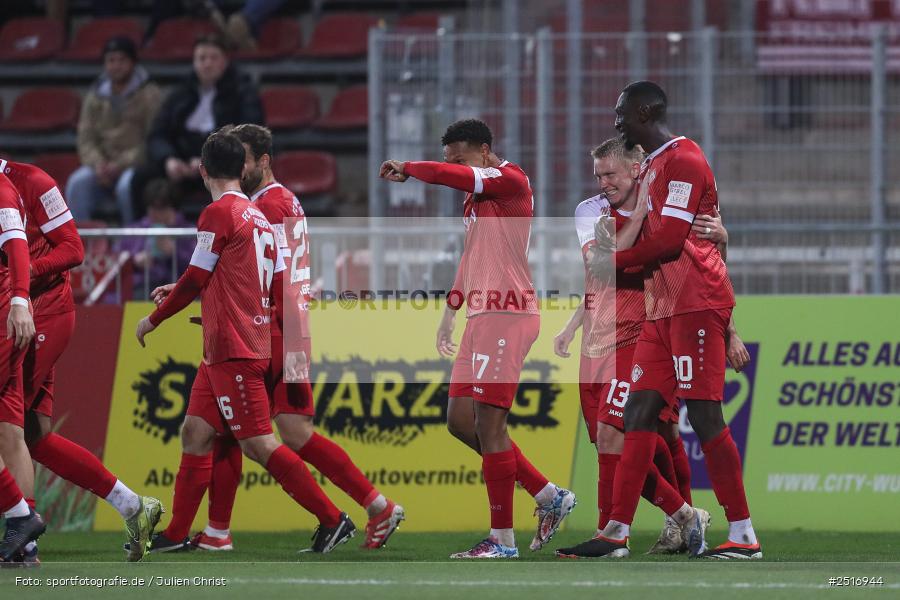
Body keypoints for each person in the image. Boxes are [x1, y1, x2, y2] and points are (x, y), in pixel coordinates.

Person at [179, 123, 403, 551]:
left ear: (263, 161)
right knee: (240, 431)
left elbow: (269, 279)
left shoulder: (266, 207)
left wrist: (256, 322)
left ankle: (369, 508)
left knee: (270, 434)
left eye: (244, 158)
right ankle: (217, 532)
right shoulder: (281, 202)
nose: (238, 166)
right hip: (274, 325)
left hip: (272, 329)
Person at [135, 129, 355, 554]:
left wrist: (154, 319)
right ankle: (180, 534)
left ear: (202, 171)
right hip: (233, 342)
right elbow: (265, 282)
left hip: (233, 346)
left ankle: (332, 518)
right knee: (196, 431)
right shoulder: (257, 216)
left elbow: (198, 276)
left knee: (259, 443)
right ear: (242, 167)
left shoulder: (218, 213)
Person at [581, 81, 761, 560]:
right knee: (636, 412)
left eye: (621, 112)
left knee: (703, 416)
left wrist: (612, 265)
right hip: (662, 307)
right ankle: (616, 532)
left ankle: (743, 534)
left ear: (643, 111)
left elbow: (673, 242)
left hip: (695, 302)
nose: (615, 120)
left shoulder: (683, 159)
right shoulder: (656, 164)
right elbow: (672, 234)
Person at [380, 119, 575, 559]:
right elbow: (470, 257)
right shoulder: (474, 200)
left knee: (490, 425)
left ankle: (502, 540)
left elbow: (453, 176)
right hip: (480, 316)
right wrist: (451, 311)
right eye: (447, 158)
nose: (452, 166)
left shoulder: (509, 179)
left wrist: (411, 167)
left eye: (460, 157)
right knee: (460, 422)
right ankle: (548, 496)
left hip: (509, 314)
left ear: (484, 151)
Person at [1, 159, 163, 564]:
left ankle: (24, 540)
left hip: (42, 311)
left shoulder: (33, 181)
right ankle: (132, 506)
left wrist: (18, 274)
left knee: (10, 428)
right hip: (18, 310)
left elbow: (74, 248)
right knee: (32, 435)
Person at [131, 34, 264, 217]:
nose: (207, 64)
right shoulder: (181, 92)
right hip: (180, 161)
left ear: (225, 61)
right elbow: (157, 133)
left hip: (221, 162)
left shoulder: (243, 91)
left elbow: (248, 135)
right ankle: (139, 240)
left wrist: (209, 159)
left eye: (213, 58)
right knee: (140, 178)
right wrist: (168, 159)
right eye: (202, 58)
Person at [68, 36, 162, 224]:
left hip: (134, 164)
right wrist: (98, 164)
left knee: (126, 187)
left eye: (121, 60)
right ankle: (79, 246)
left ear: (133, 63)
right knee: (76, 184)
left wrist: (120, 165)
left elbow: (152, 138)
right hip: (101, 166)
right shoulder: (95, 96)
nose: (116, 66)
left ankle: (131, 242)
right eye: (111, 60)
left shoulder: (150, 95)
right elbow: (85, 137)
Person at [0, 172, 43, 564]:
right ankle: (24, 546)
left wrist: (18, 299)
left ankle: (20, 517)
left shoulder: (0, 189)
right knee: (9, 431)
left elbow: (16, 243)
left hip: (1, 311)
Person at [118, 179, 194, 298]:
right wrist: (134, 261)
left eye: (162, 208)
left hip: (178, 288)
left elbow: (198, 270)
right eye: (153, 207)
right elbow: (116, 258)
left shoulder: (189, 232)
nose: (156, 213)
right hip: (143, 288)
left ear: (173, 208)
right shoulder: (135, 229)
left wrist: (174, 253)